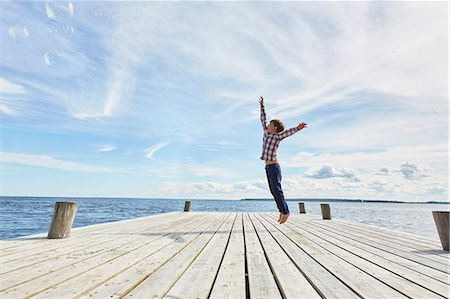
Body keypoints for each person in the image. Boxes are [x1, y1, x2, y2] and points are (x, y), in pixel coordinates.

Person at [259, 96, 307, 224]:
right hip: (268, 167)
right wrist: (262, 106)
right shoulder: (265, 132)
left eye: (270, 124)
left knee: (277, 189)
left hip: (274, 167)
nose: (268, 125)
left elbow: (288, 132)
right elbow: (262, 118)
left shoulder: (277, 136)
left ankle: (286, 212)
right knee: (273, 191)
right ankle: (282, 211)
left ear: (274, 127)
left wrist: (298, 128)